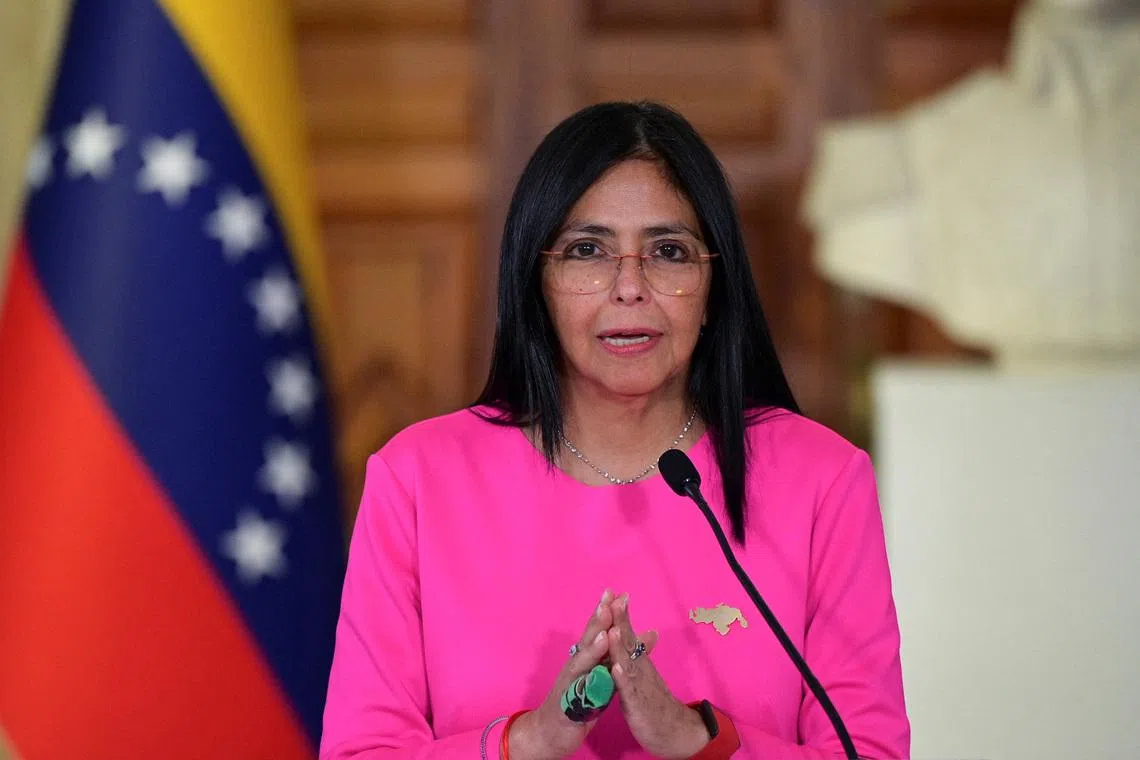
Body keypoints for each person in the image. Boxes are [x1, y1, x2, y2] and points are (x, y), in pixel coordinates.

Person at [319, 101, 910, 760]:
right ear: (535, 282)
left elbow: (870, 752)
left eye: (668, 252)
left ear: (714, 285)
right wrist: (529, 742)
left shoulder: (820, 478)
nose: (629, 286)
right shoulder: (420, 478)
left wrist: (698, 742)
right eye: (587, 251)